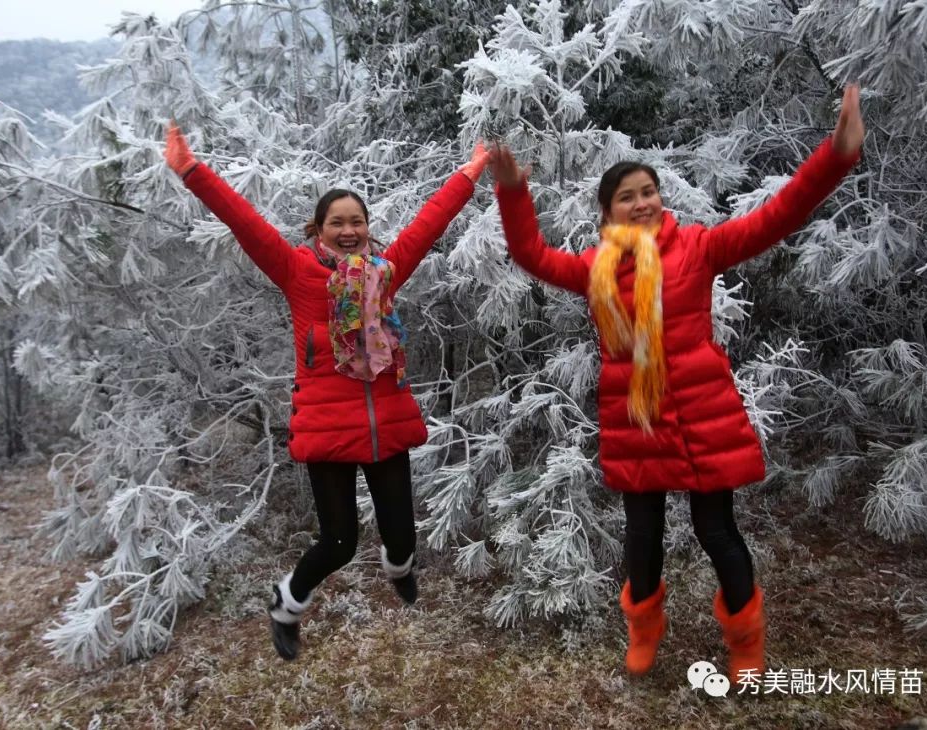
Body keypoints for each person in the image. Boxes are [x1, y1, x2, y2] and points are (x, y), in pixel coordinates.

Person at [488, 85, 864, 682]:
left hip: (702, 416)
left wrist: (837, 155)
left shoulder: (698, 248)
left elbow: (780, 213)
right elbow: (531, 253)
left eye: (649, 192)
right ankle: (644, 631)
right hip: (637, 421)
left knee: (718, 532)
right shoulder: (594, 270)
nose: (642, 203)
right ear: (607, 212)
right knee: (642, 538)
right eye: (627, 197)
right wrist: (513, 192)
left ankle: (746, 643)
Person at [164, 124, 488, 660]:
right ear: (318, 229)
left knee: (402, 538)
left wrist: (469, 173)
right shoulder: (296, 272)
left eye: (356, 221)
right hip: (326, 428)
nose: (347, 230)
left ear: (367, 229)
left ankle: (400, 569)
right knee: (339, 542)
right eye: (336, 222)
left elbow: (428, 225)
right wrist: (192, 171)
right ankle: (287, 604)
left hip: (383, 422)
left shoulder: (384, 273)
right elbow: (243, 222)